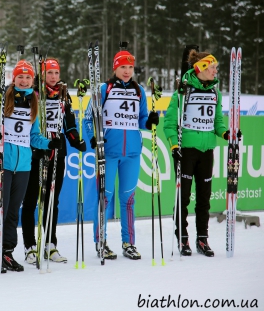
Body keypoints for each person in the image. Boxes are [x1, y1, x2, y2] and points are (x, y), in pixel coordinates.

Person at [0, 60, 61, 272]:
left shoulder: (33, 101)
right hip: (3, 163)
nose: (24, 81)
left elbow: (34, 136)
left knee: (13, 211)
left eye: (28, 77)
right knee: (0, 210)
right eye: (20, 77)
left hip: (24, 165)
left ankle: (6, 252)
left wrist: (49, 143)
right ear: (13, 78)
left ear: (32, 80)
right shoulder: (2, 98)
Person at [83, 50, 159, 260]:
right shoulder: (104, 89)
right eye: (122, 67)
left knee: (128, 199)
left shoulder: (138, 90)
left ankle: (129, 243)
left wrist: (150, 121)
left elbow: (141, 119)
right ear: (115, 68)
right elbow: (88, 119)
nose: (127, 71)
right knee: (104, 198)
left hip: (132, 153)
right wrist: (92, 138)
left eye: (130, 67)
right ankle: (101, 242)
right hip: (108, 152)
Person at [164, 50, 230, 257]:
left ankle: (202, 238)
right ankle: (182, 238)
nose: (215, 71)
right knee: (183, 197)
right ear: (200, 68)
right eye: (212, 67)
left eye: (215, 67)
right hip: (187, 151)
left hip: (206, 151)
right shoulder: (182, 92)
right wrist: (174, 146)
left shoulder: (215, 93)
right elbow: (169, 123)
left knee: (204, 197)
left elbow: (217, 121)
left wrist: (226, 133)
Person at [20, 58, 86, 264]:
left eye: (56, 73)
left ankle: (50, 244)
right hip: (35, 153)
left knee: (51, 201)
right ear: (42, 74)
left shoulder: (64, 96)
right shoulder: (34, 94)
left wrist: (76, 141)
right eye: (49, 73)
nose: (54, 77)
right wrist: (35, 146)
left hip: (57, 154)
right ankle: (30, 246)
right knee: (30, 200)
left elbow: (69, 125)